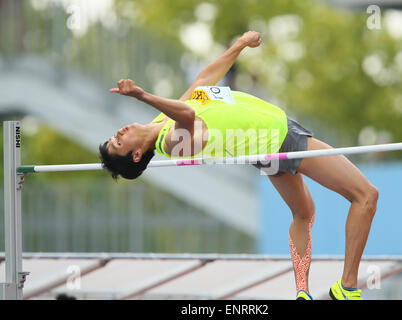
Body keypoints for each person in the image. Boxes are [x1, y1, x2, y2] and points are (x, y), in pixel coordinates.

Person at [99, 31, 378, 300]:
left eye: (114, 137)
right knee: (365, 196)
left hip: (265, 148)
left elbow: (204, 79)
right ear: (136, 155)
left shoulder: (158, 123)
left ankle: (302, 292)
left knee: (304, 214)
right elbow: (187, 113)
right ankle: (348, 288)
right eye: (118, 143)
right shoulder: (173, 143)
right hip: (279, 140)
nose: (119, 133)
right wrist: (141, 95)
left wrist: (240, 45)